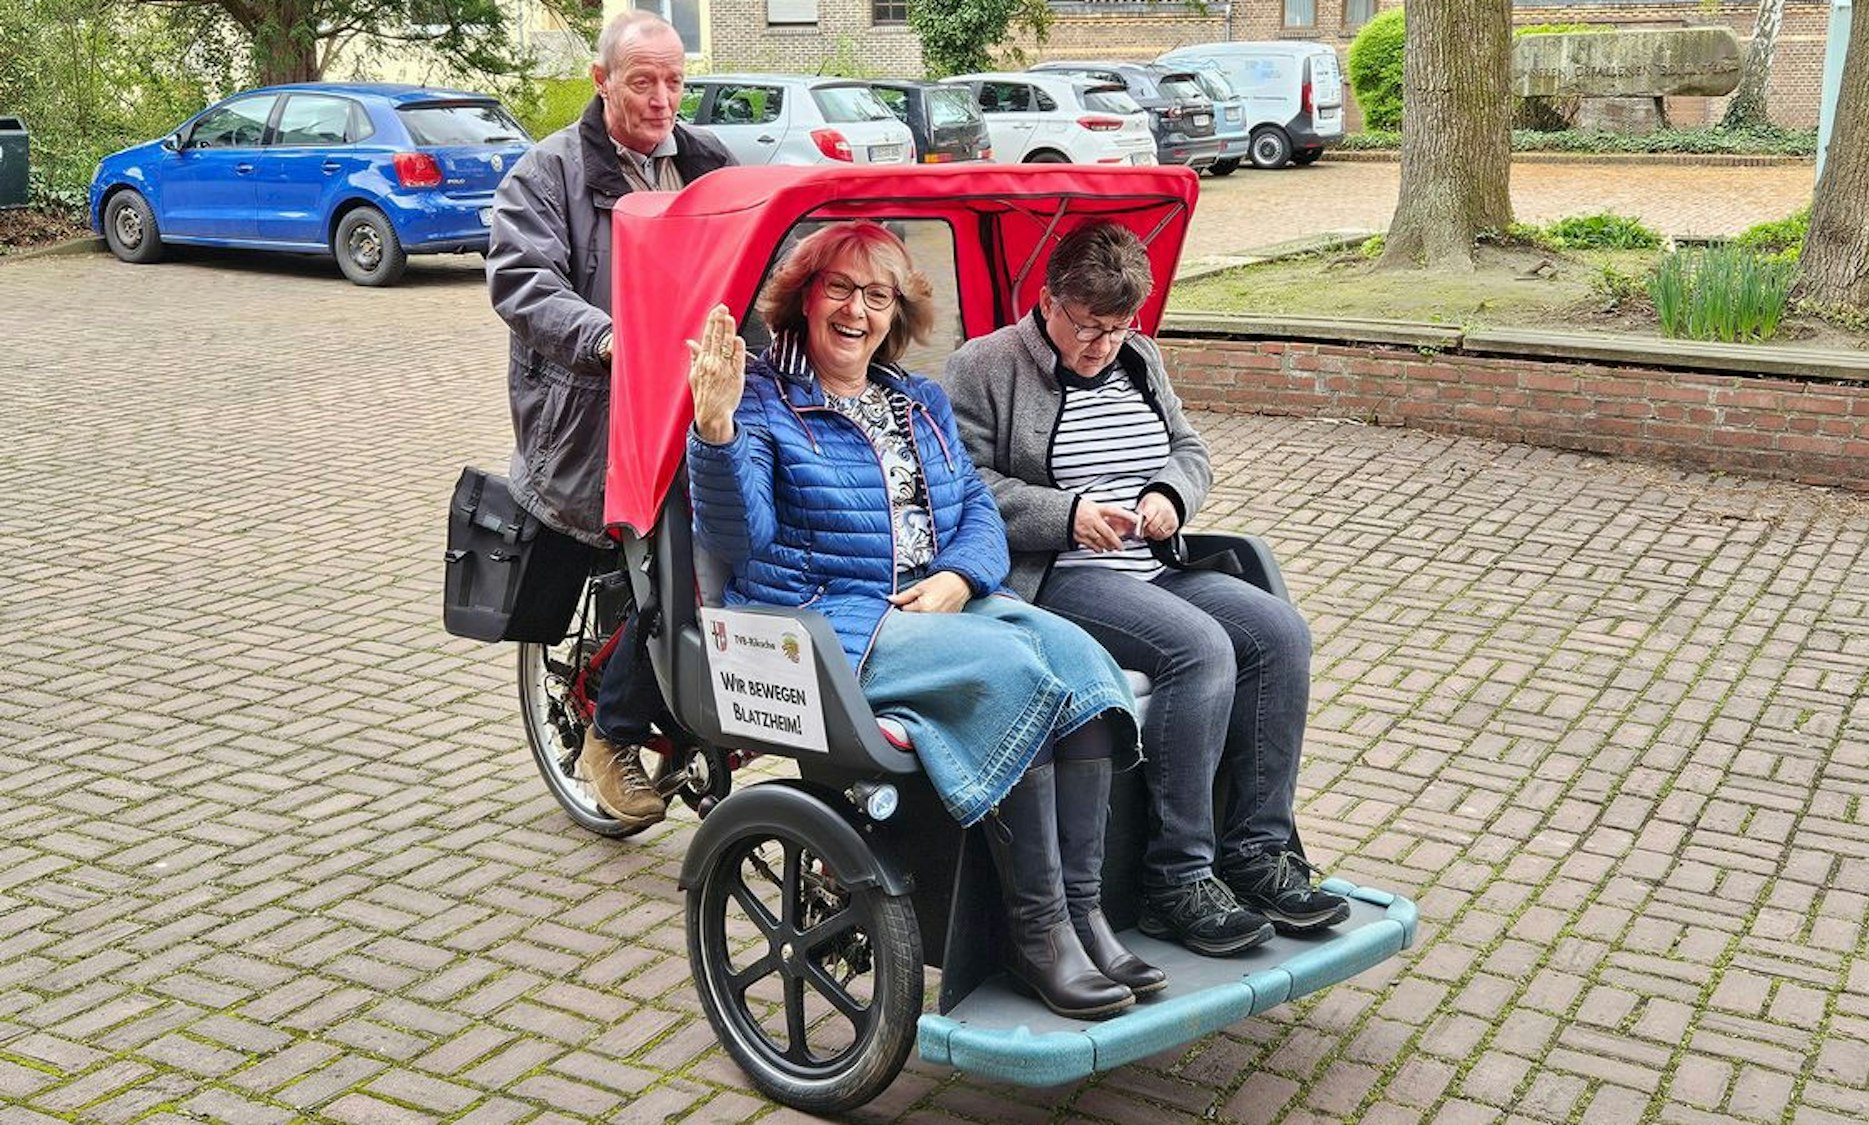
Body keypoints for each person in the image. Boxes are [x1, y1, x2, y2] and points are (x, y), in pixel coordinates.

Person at [683, 220, 1164, 1018]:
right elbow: (739, 537)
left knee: (1082, 661)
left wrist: (955, 575)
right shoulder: (763, 400)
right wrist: (716, 430)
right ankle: (1036, 930)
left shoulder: (916, 399)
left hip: (938, 604)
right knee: (1014, 675)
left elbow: (977, 508)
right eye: (839, 288)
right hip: (834, 624)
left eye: (877, 295)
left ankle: (1082, 912)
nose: (856, 310)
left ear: (895, 311)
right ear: (803, 297)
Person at [941, 220, 1349, 957]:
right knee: (1198, 649)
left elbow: (1190, 448)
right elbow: (964, 487)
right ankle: (1178, 879)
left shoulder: (1139, 357)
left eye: (1117, 328)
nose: (1102, 346)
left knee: (1279, 632)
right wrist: (1068, 514)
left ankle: (1257, 854)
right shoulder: (986, 365)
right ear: (1049, 299)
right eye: (1088, 327)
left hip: (1155, 564)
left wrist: (1170, 493)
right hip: (1061, 575)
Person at [488, 11, 733, 828]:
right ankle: (610, 732)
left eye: (674, 81)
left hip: (691, 402)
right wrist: (605, 337)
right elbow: (523, 282)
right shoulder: (547, 173)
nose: (663, 99)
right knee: (679, 568)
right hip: (595, 414)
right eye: (642, 81)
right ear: (602, 81)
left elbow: (756, 266)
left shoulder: (706, 164)